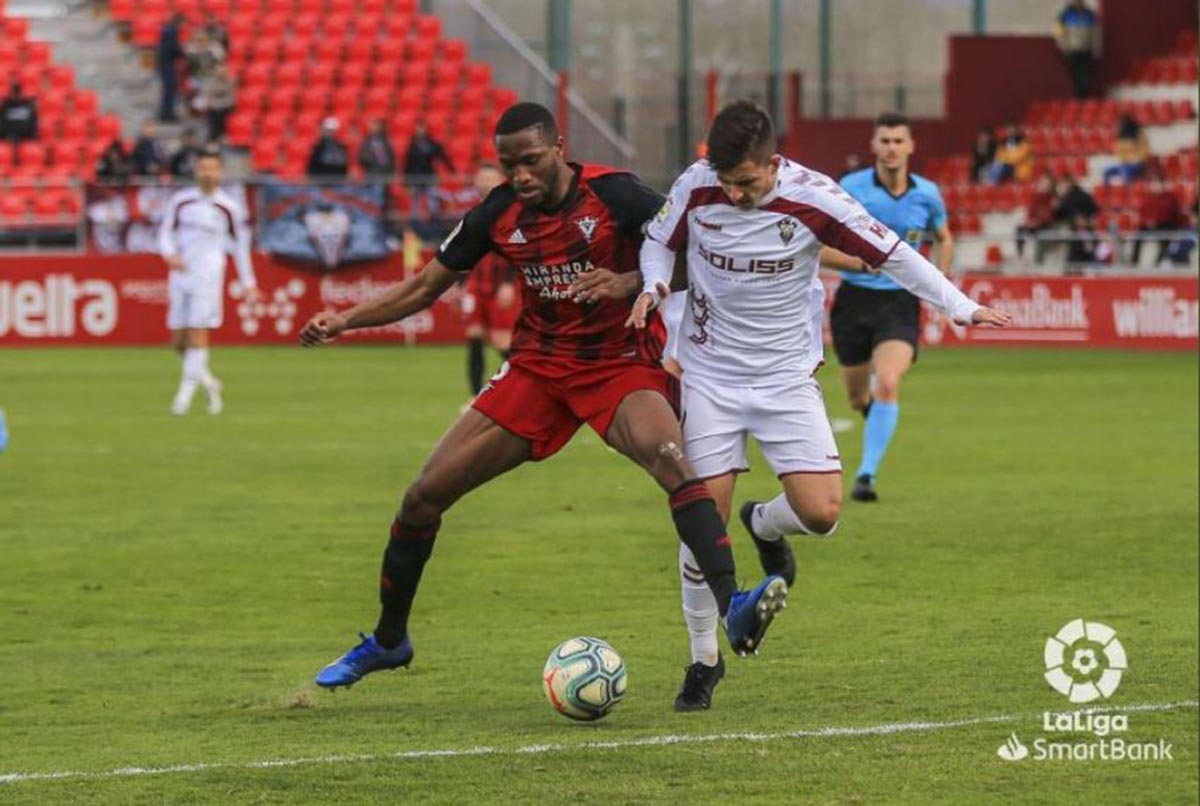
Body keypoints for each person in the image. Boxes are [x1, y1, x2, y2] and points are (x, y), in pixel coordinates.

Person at [300, 102, 788, 691]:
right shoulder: (498, 214)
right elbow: (428, 285)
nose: (521, 177)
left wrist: (630, 282)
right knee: (423, 497)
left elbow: (698, 257)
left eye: (530, 162)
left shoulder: (617, 195)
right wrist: (345, 321)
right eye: (509, 167)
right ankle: (388, 640)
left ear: (558, 146)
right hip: (538, 370)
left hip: (617, 364)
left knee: (672, 462)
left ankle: (733, 602)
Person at [631, 100, 1009, 710]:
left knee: (823, 512)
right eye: (726, 180)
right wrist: (653, 286)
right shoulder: (697, 185)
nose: (734, 191)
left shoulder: (818, 196)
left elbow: (894, 253)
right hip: (709, 375)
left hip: (784, 378)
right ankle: (703, 659)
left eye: (746, 181)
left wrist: (959, 305)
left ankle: (766, 522)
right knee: (704, 520)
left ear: (772, 163)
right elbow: (656, 242)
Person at [826, 111, 956, 504]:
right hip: (853, 302)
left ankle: (866, 475)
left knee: (887, 381)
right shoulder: (849, 189)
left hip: (900, 301)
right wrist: (856, 262)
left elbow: (944, 238)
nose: (892, 148)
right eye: (885, 141)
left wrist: (938, 286)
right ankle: (875, 415)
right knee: (855, 398)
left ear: (911, 146)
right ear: (873, 146)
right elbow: (818, 245)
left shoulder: (927, 194)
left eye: (899, 141)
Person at [158, 145, 260, 416]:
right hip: (180, 277)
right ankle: (209, 384)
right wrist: (170, 255)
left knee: (197, 334)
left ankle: (183, 397)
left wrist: (248, 282)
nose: (208, 173)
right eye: (203, 168)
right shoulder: (181, 201)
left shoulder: (228, 208)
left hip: (209, 277)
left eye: (213, 168)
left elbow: (240, 247)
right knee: (179, 342)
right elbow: (164, 234)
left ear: (220, 172)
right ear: (196, 170)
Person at [461, 162, 519, 396]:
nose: (484, 183)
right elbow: (462, 251)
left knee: (502, 341)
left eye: (489, 178)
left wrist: (508, 282)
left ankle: (527, 386)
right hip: (477, 283)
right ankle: (476, 397)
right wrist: (459, 283)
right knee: (473, 335)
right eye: (481, 178)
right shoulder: (472, 212)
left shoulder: (513, 212)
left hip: (502, 283)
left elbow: (520, 249)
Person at [1132, 169, 1185, 265]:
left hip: (1165, 224)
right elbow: (1143, 214)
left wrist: (1156, 221)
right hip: (1150, 225)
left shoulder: (1170, 197)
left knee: (1166, 236)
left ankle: (1158, 262)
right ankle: (1134, 262)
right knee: (1138, 235)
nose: (1156, 186)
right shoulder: (1148, 198)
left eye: (1158, 183)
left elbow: (1172, 213)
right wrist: (1148, 222)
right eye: (1154, 183)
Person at [403, 122, 454, 222]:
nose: (420, 131)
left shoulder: (431, 144)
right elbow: (407, 164)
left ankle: (434, 220)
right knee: (415, 203)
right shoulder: (412, 146)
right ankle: (415, 222)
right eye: (418, 129)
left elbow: (442, 156)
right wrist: (406, 181)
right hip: (415, 178)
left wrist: (450, 168)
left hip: (429, 176)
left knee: (432, 201)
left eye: (422, 129)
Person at [1055, 0, 1100, 99]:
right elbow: (1058, 32)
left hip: (1086, 49)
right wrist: (1063, 46)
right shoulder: (1066, 15)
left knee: (1086, 72)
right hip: (1072, 49)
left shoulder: (1090, 15)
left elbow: (1096, 32)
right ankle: (1079, 94)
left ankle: (1085, 94)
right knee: (1075, 73)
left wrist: (1096, 48)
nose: (1079, 3)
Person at [1054, 175, 1099, 264]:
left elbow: (1094, 210)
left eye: (1064, 184)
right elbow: (1058, 216)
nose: (1062, 187)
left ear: (1070, 184)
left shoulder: (1082, 196)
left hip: (1085, 228)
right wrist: (1056, 207)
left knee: (1084, 242)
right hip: (1070, 227)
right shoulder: (1063, 199)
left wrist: (1086, 220)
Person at [1102, 114, 1148, 185]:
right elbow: (1119, 153)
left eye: (1120, 124)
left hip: (1138, 164)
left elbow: (1144, 153)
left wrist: (1133, 160)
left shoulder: (1139, 136)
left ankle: (1128, 191)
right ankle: (1107, 193)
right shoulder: (1120, 138)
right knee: (1106, 172)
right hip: (1124, 164)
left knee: (1125, 171)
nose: (1118, 126)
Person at [157, 13, 184, 122]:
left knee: (169, 90)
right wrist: (182, 51)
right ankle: (167, 114)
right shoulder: (171, 32)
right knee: (170, 89)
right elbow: (173, 49)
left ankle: (167, 112)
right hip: (167, 65)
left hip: (166, 64)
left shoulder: (168, 30)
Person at [204, 64, 236, 143]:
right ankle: (214, 135)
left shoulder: (230, 81)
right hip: (214, 104)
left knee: (221, 112)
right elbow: (209, 95)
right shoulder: (210, 81)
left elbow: (231, 96)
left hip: (226, 104)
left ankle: (218, 135)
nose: (220, 74)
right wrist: (215, 103)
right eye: (219, 72)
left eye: (222, 72)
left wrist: (222, 103)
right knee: (214, 112)